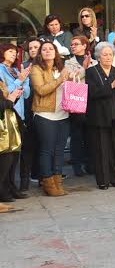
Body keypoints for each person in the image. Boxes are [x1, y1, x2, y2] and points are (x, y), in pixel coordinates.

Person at [32, 42, 72, 196]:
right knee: (47, 150)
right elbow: (41, 90)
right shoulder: (37, 69)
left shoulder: (61, 68)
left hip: (63, 113)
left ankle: (58, 182)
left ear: (56, 52)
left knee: (59, 150)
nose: (48, 51)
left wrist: (70, 79)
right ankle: (47, 183)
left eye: (51, 49)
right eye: (44, 49)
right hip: (44, 114)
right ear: (40, 53)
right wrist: (60, 80)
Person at [85, 42, 115, 189]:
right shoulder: (92, 72)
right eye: (104, 54)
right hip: (99, 117)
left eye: (110, 54)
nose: (108, 57)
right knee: (101, 150)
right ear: (98, 56)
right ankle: (103, 180)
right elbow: (93, 93)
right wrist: (111, 86)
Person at [0, 44, 30, 199]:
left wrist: (24, 79)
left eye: (15, 52)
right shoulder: (1, 69)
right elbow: (6, 92)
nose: (14, 54)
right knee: (7, 154)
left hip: (18, 114)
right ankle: (5, 189)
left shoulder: (17, 70)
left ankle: (12, 187)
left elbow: (26, 94)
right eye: (10, 51)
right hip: (5, 115)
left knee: (15, 153)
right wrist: (19, 81)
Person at [65, 36, 94, 177]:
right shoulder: (68, 63)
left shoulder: (94, 61)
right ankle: (77, 165)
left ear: (84, 46)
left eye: (76, 44)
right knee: (76, 135)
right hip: (76, 101)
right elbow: (70, 78)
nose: (73, 46)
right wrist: (84, 68)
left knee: (90, 134)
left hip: (92, 102)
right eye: (71, 44)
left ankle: (90, 163)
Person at [19, 38, 42, 192]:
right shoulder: (24, 66)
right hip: (28, 109)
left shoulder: (47, 64)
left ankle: (41, 173)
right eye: (31, 47)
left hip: (44, 108)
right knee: (29, 144)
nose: (33, 50)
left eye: (36, 47)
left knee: (43, 144)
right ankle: (27, 176)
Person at [0, 80, 24, 202]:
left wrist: (14, 98)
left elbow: (6, 104)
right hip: (2, 130)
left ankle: (10, 189)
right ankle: (3, 192)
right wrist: (10, 99)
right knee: (6, 160)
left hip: (10, 126)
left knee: (13, 159)